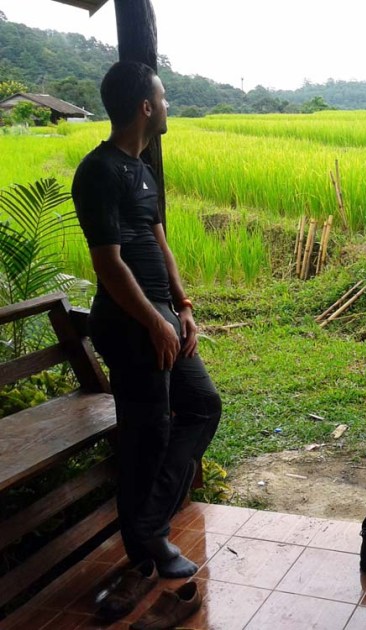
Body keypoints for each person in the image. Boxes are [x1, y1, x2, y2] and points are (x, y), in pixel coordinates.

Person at [72, 61, 222, 578]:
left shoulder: (143, 170)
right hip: (126, 319)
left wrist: (181, 308)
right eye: (162, 97)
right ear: (144, 106)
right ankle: (146, 544)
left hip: (159, 313)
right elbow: (108, 262)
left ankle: (149, 527)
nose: (167, 105)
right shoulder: (98, 171)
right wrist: (154, 322)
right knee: (148, 430)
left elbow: (159, 242)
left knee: (202, 406)